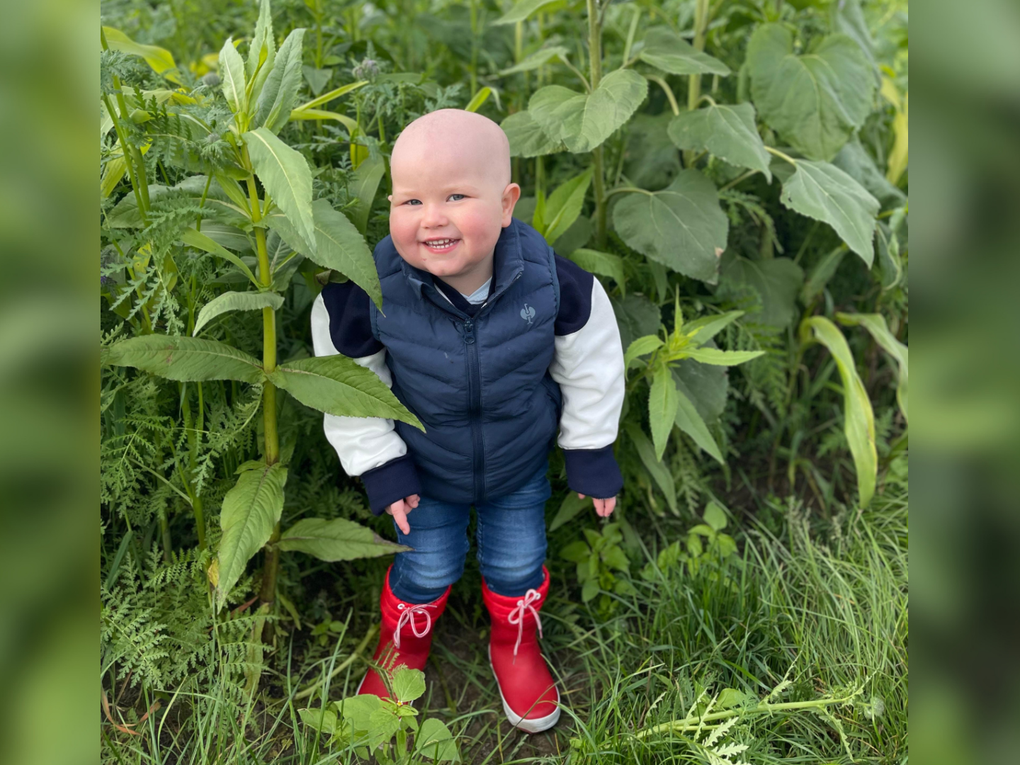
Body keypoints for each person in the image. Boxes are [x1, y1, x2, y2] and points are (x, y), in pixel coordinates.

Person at [310, 109, 624, 733]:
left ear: (507, 204)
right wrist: (380, 463)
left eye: (456, 196)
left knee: (518, 562)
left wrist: (589, 450)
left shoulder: (550, 284)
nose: (432, 217)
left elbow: (591, 360)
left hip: (517, 464)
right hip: (421, 472)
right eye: (411, 200)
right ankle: (403, 651)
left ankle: (516, 646)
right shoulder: (370, 291)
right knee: (424, 567)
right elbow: (346, 382)